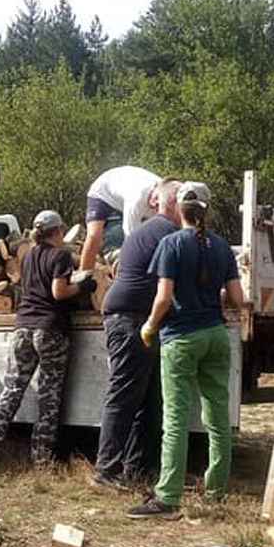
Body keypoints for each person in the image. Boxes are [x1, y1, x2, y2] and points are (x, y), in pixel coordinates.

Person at [126, 183, 243, 519]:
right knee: (217, 418)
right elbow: (237, 299)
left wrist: (150, 325)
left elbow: (164, 298)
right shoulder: (222, 248)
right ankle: (216, 492)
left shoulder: (171, 244)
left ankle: (168, 497)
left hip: (180, 338)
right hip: (216, 336)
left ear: (178, 207)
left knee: (175, 419)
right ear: (208, 209)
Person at [0, 210, 97, 476]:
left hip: (23, 328)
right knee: (48, 398)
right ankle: (42, 460)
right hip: (50, 329)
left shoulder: (27, 257)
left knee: (11, 391)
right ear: (58, 231)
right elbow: (58, 292)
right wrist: (84, 287)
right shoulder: (61, 255)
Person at [92, 178, 183, 492]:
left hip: (135, 317)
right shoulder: (166, 232)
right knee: (125, 394)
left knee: (147, 397)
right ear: (174, 203)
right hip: (130, 319)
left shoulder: (148, 230)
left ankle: (135, 468)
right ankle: (106, 470)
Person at [79, 166, 162, 271]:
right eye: (155, 203)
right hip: (102, 192)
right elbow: (131, 238)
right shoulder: (136, 199)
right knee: (94, 235)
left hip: (124, 194)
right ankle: (83, 273)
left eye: (159, 206)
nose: (155, 205)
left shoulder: (170, 196)